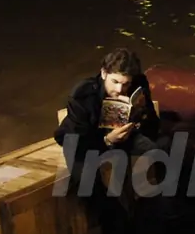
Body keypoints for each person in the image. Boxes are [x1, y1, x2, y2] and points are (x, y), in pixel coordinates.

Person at [54, 48, 163, 224]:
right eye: (115, 81)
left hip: (123, 131)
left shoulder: (138, 83)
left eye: (126, 84)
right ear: (104, 73)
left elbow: (153, 123)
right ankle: (112, 226)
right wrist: (108, 140)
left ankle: (161, 209)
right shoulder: (82, 95)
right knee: (88, 185)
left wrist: (139, 119)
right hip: (83, 139)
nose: (120, 89)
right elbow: (78, 141)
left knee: (160, 148)